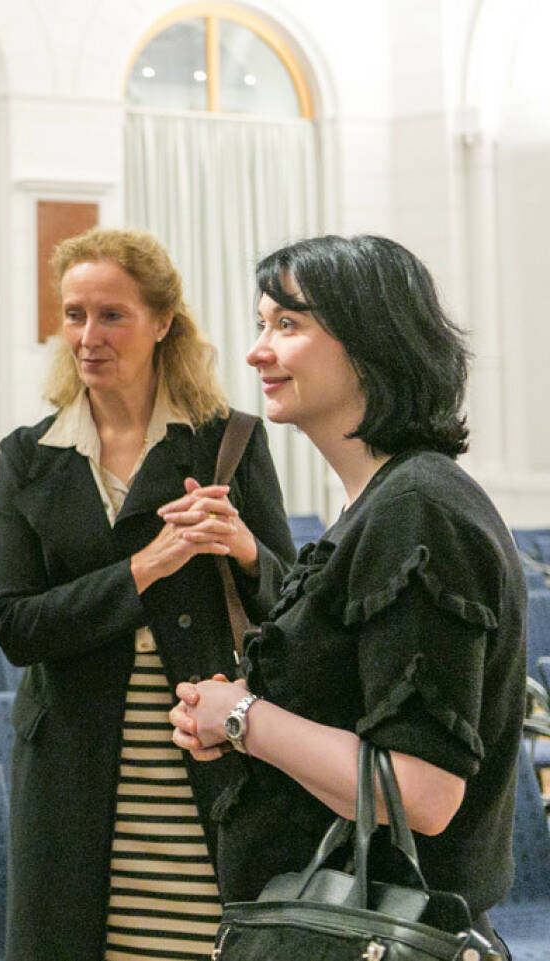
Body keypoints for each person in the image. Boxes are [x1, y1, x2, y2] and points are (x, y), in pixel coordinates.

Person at [170, 235, 525, 956]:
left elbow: (421, 793)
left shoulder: (418, 511)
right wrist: (233, 716)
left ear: (371, 343)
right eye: (262, 322)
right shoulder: (386, 500)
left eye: (288, 325)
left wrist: (242, 716)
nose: (257, 351)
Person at [0, 228, 295, 961]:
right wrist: (144, 568)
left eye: (111, 315)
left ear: (162, 322)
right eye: (73, 315)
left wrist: (244, 548)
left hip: (206, 761)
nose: (87, 337)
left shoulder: (229, 441)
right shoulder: (29, 456)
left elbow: (291, 607)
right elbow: (13, 625)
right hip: (72, 772)